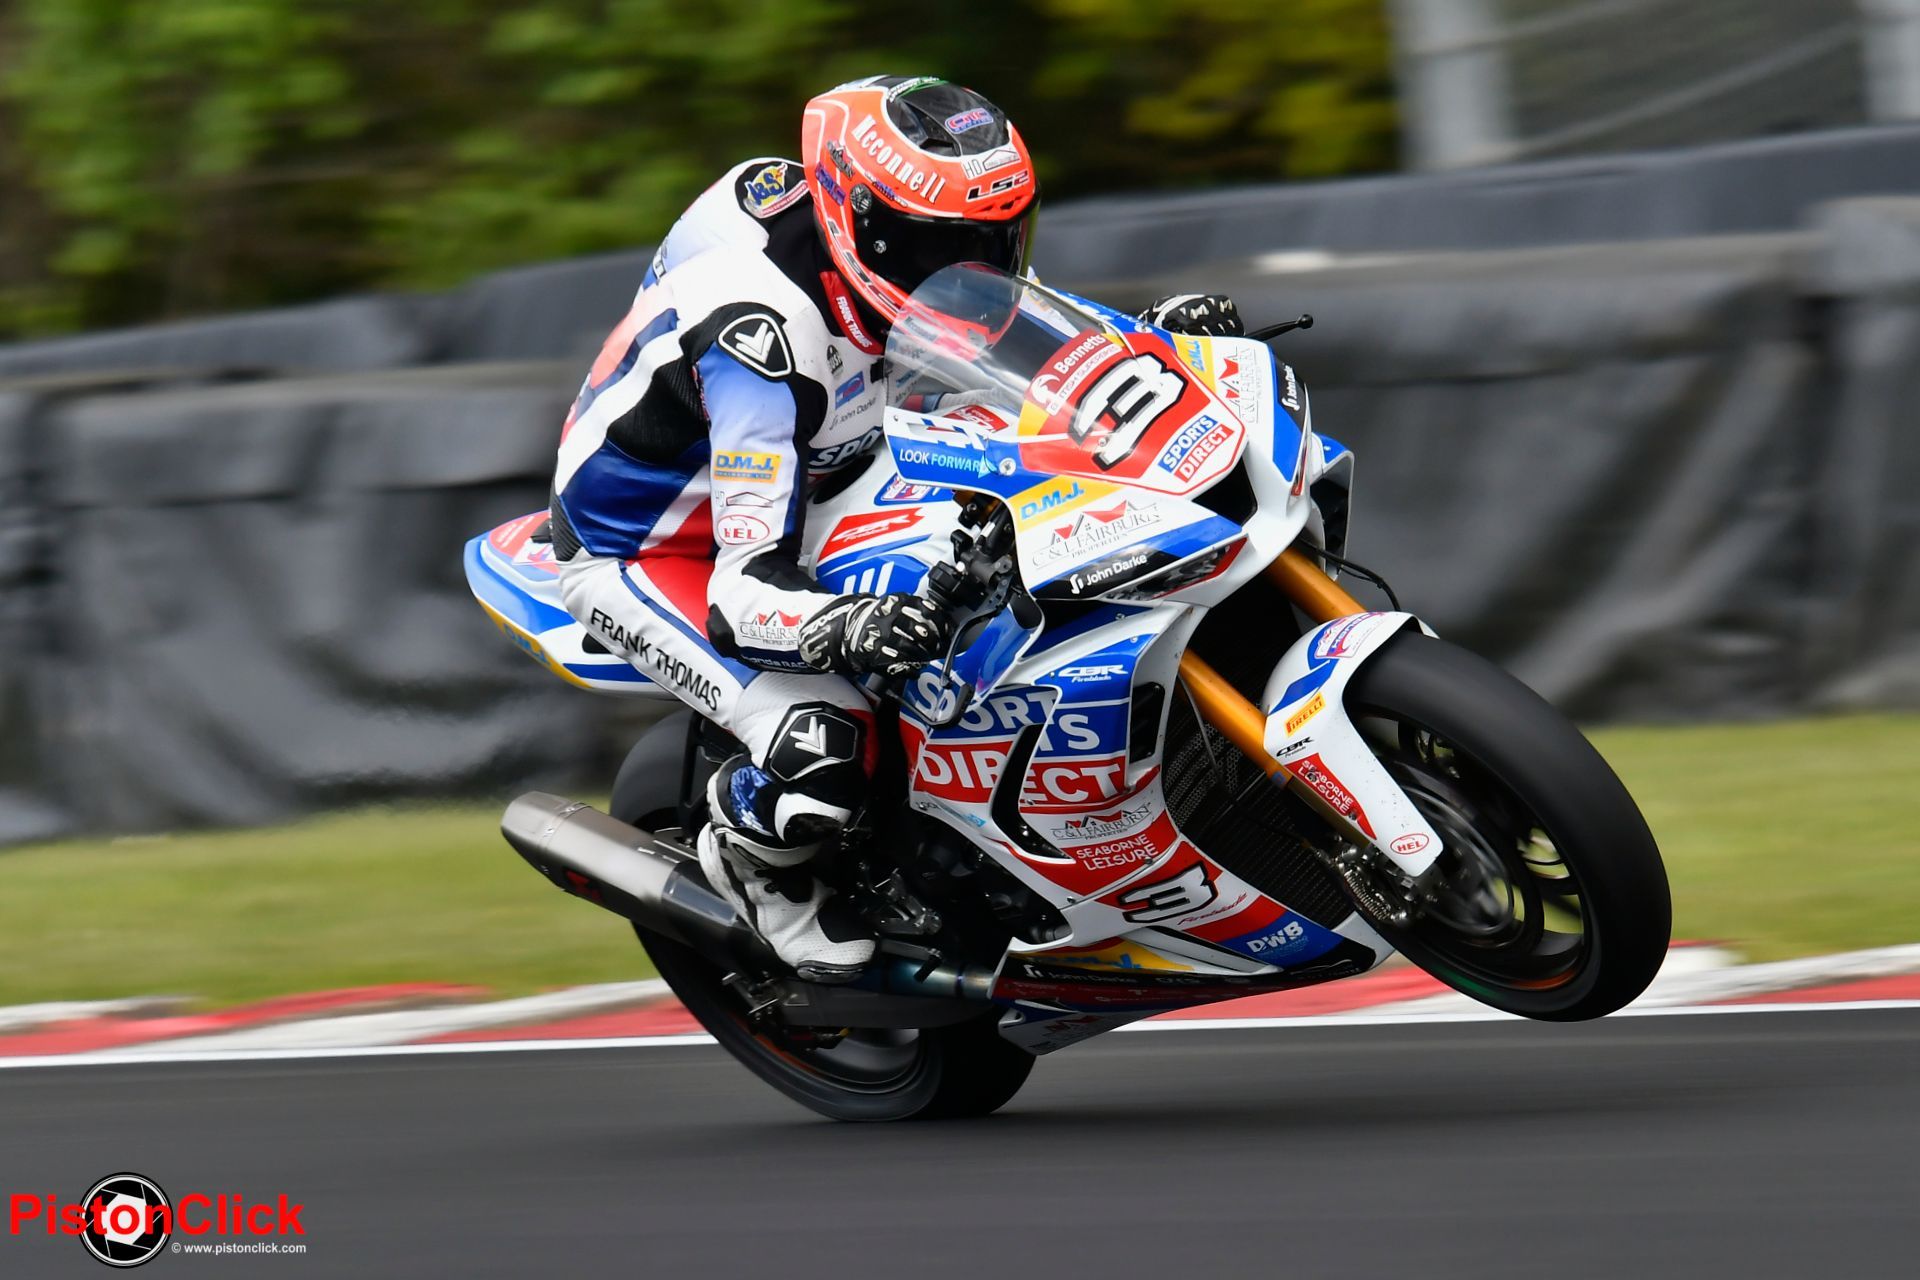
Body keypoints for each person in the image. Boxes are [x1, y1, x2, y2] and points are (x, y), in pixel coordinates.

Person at [551, 75, 1243, 982]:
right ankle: (753, 858)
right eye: (931, 244)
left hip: (838, 452)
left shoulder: (905, 253)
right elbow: (743, 586)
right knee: (823, 740)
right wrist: (846, 624)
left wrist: (1147, 347)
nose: (974, 265)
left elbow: (1022, 342)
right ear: (856, 219)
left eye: (997, 235)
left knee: (1007, 563)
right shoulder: (765, 341)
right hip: (665, 543)